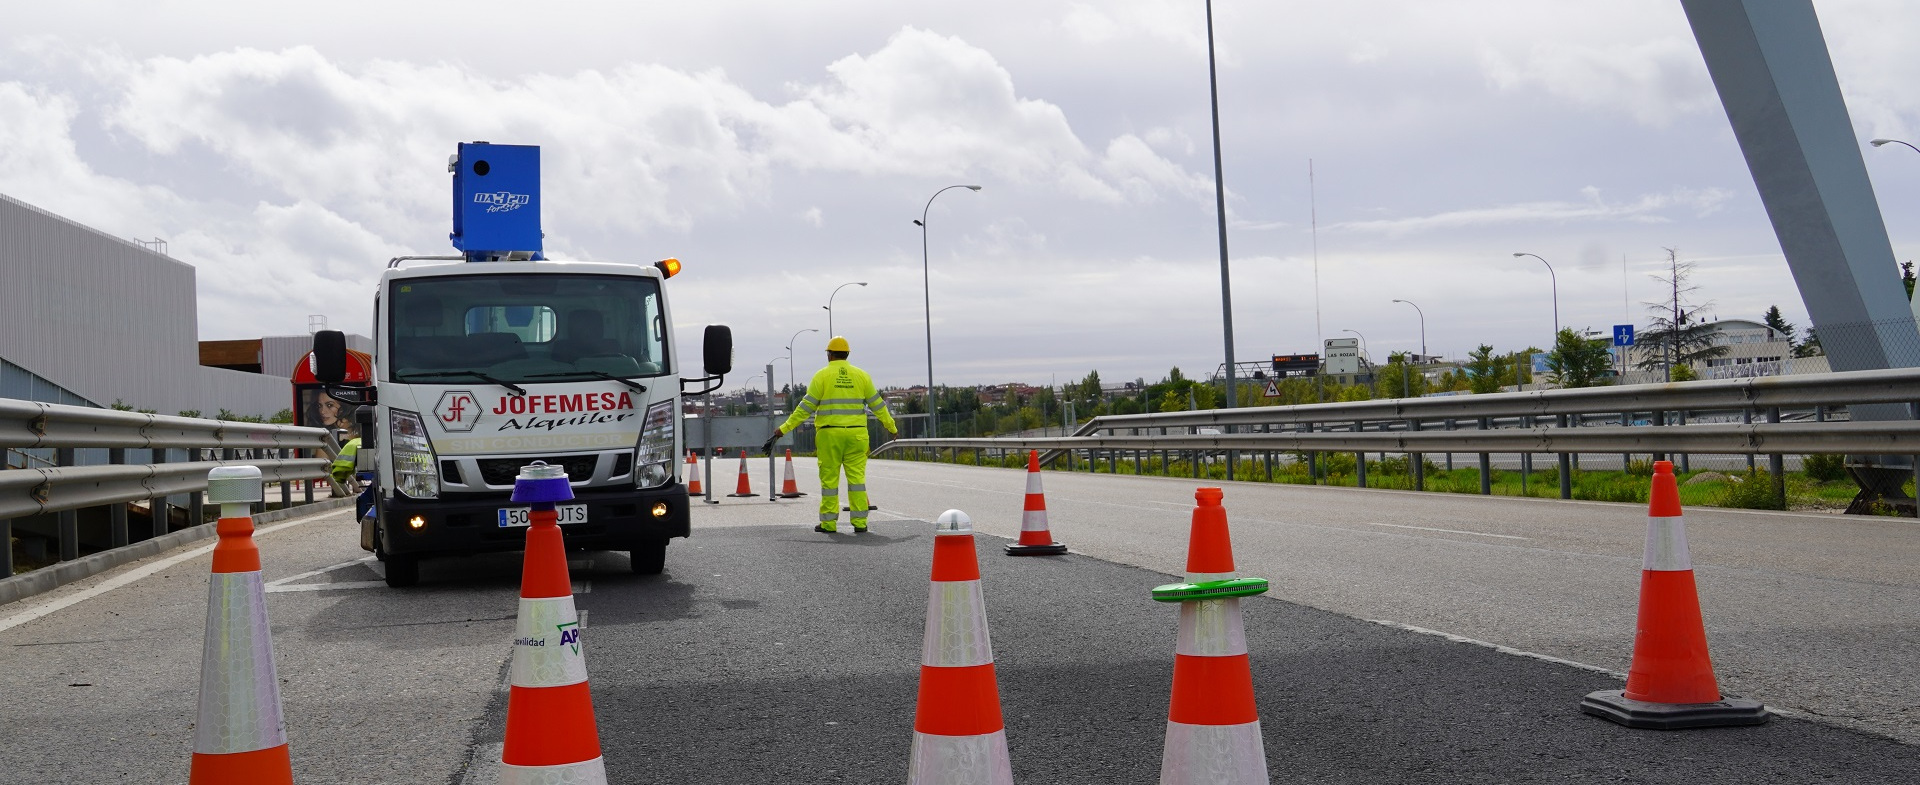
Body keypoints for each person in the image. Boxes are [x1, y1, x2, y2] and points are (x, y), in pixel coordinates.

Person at [772, 335, 897, 533]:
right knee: (857, 480)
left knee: (829, 481)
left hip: (830, 436)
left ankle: (829, 523)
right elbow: (878, 405)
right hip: (857, 436)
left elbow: (804, 409)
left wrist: (784, 429)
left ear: (829, 355)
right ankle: (860, 523)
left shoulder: (822, 376)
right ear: (847, 354)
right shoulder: (862, 376)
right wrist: (891, 427)